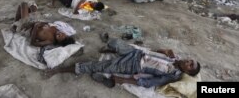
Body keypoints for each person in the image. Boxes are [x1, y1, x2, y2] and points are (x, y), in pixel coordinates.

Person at [45, 35, 201, 88]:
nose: (188, 61)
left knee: (95, 66)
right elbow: (155, 53)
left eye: (190, 65)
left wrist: (122, 80)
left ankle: (58, 70)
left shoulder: (172, 75)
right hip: (137, 53)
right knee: (114, 42)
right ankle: (111, 50)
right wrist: (164, 51)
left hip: (131, 65)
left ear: (187, 71)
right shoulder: (175, 58)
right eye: (190, 60)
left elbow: (149, 83)